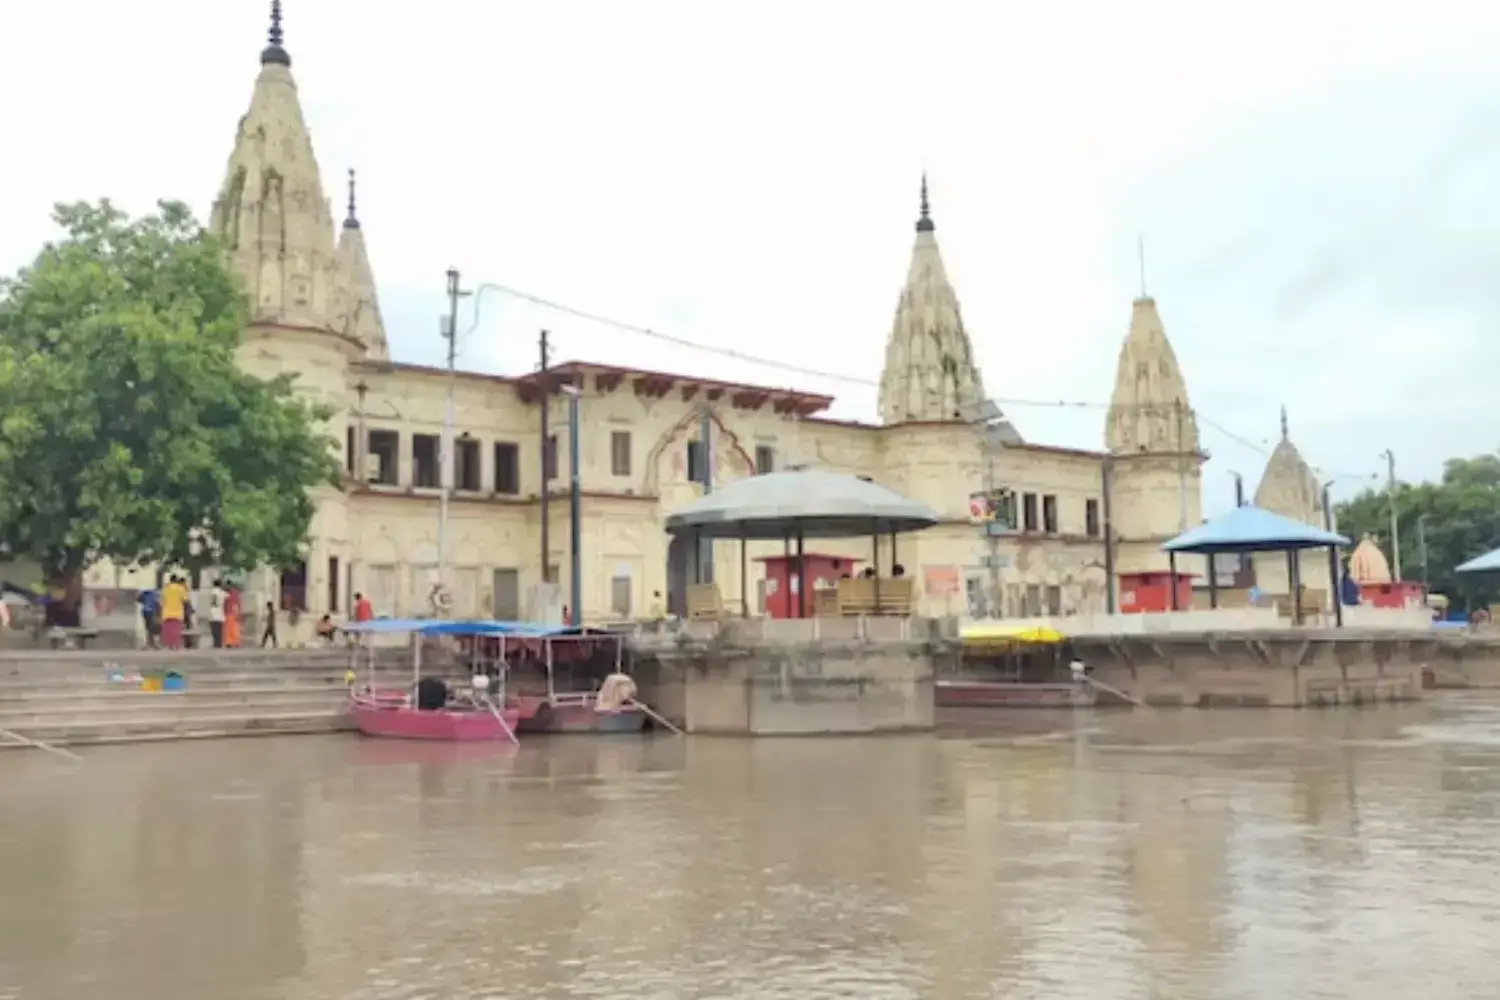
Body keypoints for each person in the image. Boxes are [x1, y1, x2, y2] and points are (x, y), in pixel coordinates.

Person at [160, 575, 188, 650]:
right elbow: (185, 600)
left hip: (166, 613)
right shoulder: (181, 589)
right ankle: (176, 645)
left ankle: (168, 645)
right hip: (177, 613)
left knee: (167, 631)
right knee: (176, 630)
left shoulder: (165, 589)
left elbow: (161, 602)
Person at [208, 579, 227, 648]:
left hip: (212, 611)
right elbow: (227, 597)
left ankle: (215, 643)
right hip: (220, 611)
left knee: (214, 629)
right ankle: (219, 643)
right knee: (220, 629)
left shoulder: (211, 592)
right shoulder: (222, 592)